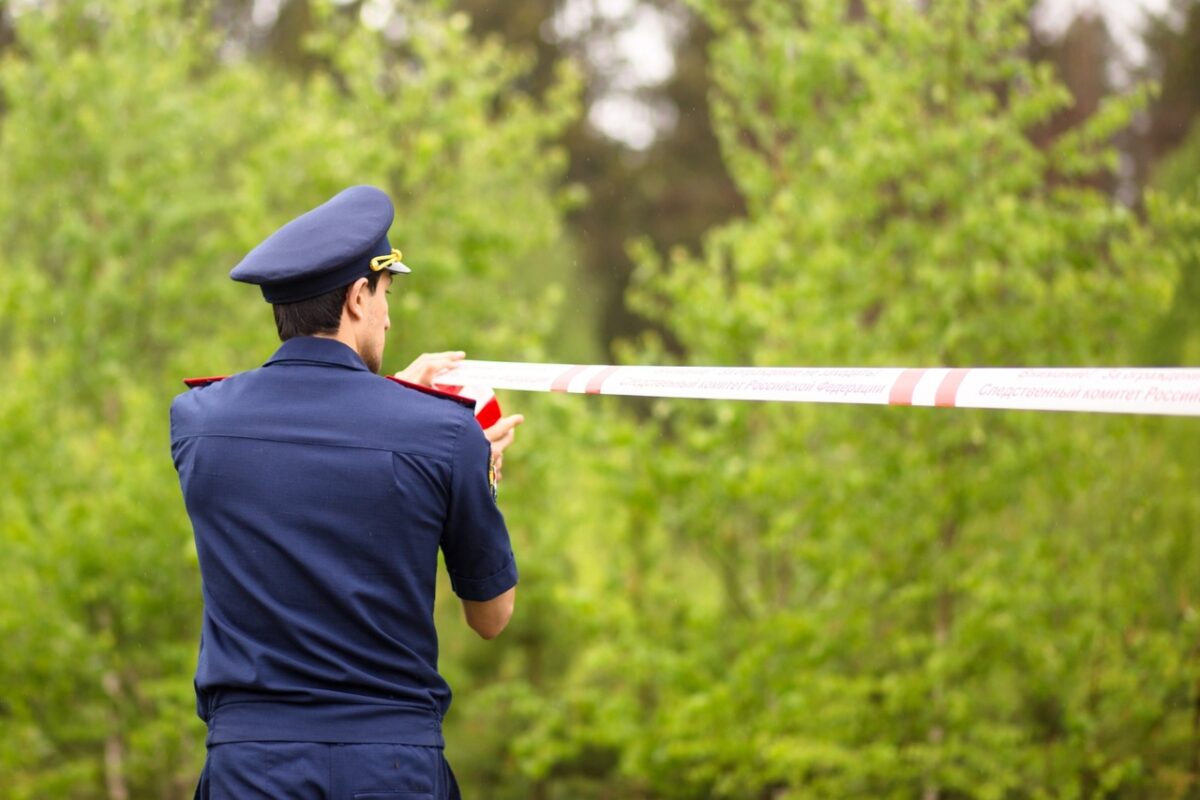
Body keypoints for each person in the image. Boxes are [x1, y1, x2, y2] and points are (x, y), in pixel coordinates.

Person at [170, 185, 523, 799]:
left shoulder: (198, 421)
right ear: (360, 296)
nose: (389, 315)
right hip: (392, 770)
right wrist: (478, 470)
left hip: (251, 770)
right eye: (386, 294)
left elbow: (312, 437)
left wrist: (395, 400)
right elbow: (492, 618)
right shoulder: (445, 435)